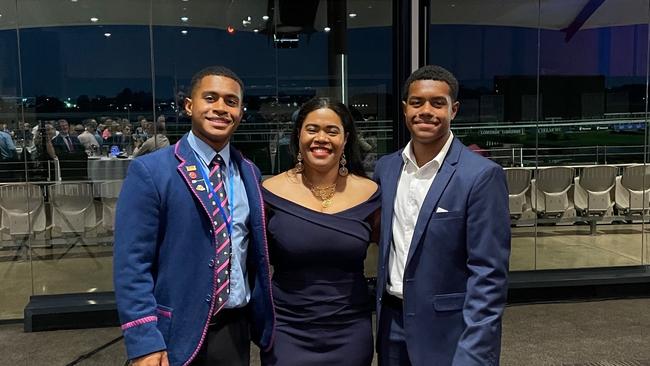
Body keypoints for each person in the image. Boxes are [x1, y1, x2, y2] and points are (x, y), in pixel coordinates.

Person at [113, 65, 275, 366]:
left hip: (234, 328)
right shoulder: (151, 171)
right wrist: (143, 341)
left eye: (231, 101)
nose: (220, 108)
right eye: (210, 98)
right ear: (189, 105)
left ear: (240, 112)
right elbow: (131, 264)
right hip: (173, 332)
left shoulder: (250, 173)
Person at [373, 65, 510, 366]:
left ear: (454, 110)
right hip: (390, 325)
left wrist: (475, 352)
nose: (426, 111)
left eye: (438, 103)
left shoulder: (481, 176)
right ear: (404, 108)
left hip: (450, 333)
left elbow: (488, 276)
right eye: (417, 102)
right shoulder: (387, 168)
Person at [260, 97, 379, 366]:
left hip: (350, 331)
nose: (321, 138)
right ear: (299, 135)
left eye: (332, 131)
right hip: (288, 330)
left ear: (346, 139)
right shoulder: (268, 192)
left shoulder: (370, 193)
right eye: (312, 129)